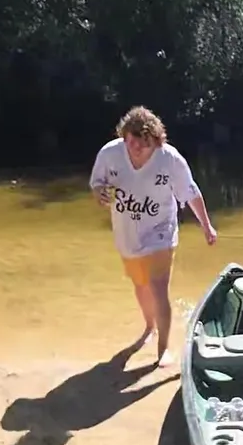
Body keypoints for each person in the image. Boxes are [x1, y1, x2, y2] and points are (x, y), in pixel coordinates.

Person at [89, 106, 218, 366]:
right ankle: (149, 327)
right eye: (132, 142)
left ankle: (163, 349)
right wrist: (99, 193)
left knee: (158, 287)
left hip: (161, 231)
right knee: (141, 286)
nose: (137, 149)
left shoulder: (170, 159)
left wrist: (206, 226)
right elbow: (97, 183)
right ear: (124, 136)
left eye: (144, 144)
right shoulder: (109, 154)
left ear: (156, 141)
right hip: (127, 234)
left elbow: (191, 192)